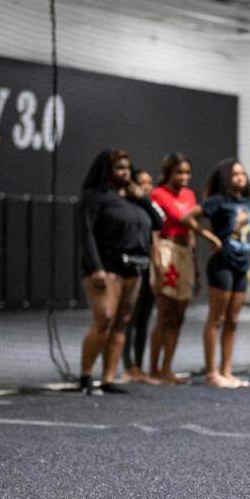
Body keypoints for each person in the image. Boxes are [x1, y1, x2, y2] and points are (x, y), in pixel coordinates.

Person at [77, 150, 162, 397]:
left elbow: (158, 222)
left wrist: (143, 198)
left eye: (127, 168)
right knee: (104, 318)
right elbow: (86, 233)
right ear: (107, 170)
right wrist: (96, 268)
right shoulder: (96, 197)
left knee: (122, 322)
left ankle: (107, 378)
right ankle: (86, 376)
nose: (125, 172)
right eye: (119, 168)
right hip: (106, 267)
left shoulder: (134, 198)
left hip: (133, 267)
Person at [148, 154, 220, 385]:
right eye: (179, 172)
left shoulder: (188, 195)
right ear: (169, 172)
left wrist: (195, 267)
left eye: (187, 173)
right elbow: (175, 222)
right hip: (166, 250)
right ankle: (153, 369)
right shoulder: (158, 194)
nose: (184, 177)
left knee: (178, 315)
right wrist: (156, 260)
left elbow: (188, 231)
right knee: (164, 312)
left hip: (184, 253)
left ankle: (167, 369)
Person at [200, 159, 250, 388]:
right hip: (222, 263)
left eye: (242, 173)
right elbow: (188, 218)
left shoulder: (247, 202)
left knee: (232, 320)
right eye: (235, 174)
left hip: (242, 264)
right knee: (217, 319)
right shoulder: (216, 202)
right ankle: (212, 373)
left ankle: (227, 371)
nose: (240, 177)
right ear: (226, 178)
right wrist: (211, 238)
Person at [123, 169, 163, 385]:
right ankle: (127, 367)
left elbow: (159, 225)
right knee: (129, 319)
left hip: (148, 267)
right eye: (142, 183)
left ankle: (139, 366)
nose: (147, 186)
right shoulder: (126, 206)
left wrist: (156, 271)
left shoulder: (148, 207)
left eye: (149, 182)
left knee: (144, 320)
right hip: (131, 267)